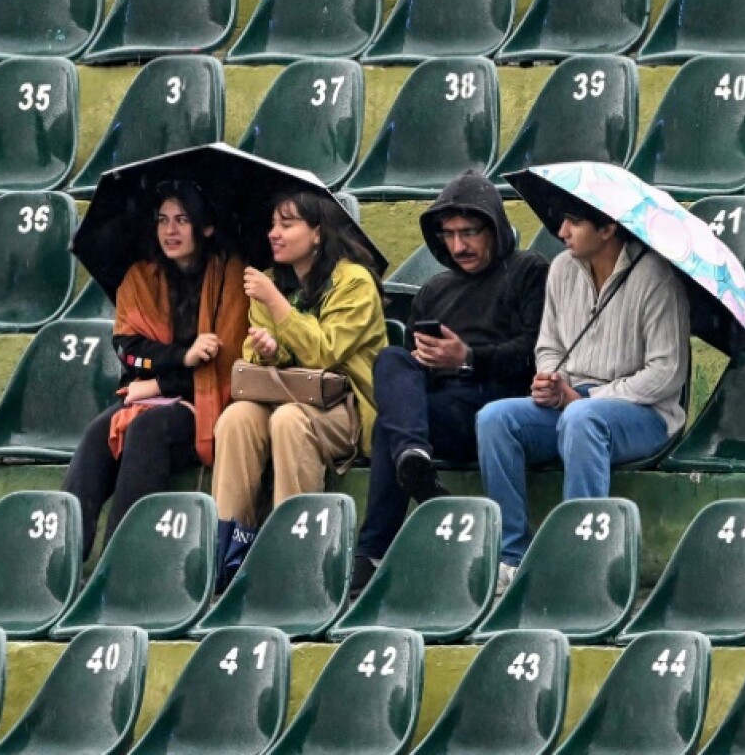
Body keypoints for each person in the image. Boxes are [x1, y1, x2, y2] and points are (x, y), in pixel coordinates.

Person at [351, 171, 548, 593]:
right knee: (392, 359)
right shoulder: (434, 289)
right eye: (450, 234)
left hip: (496, 409)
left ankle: (371, 552)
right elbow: (410, 376)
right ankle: (414, 461)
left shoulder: (528, 270)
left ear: (494, 227)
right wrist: (429, 363)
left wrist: (467, 359)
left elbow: (535, 355)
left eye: (470, 233)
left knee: (391, 429)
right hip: (440, 409)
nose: (459, 246)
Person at [477, 206, 689, 591]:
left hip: (645, 413)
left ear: (607, 228)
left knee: (584, 418)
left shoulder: (655, 277)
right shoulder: (561, 269)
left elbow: (665, 373)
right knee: (495, 418)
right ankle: (512, 557)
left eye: (573, 222)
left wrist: (586, 397)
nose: (561, 230)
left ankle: (581, 562)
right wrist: (551, 379)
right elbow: (548, 346)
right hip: (571, 400)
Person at [63, 182, 249, 559]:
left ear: (206, 227)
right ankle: (63, 554)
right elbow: (128, 352)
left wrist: (157, 384)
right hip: (154, 394)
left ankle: (121, 558)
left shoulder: (231, 276)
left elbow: (227, 364)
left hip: (209, 400)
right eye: (163, 220)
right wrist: (180, 360)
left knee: (148, 429)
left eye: (182, 219)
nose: (170, 230)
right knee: (98, 435)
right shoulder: (140, 278)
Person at [212, 189, 387, 587]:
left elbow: (326, 351)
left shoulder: (354, 284)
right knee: (237, 417)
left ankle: (296, 561)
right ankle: (227, 554)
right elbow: (254, 357)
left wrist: (278, 306)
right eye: (273, 224)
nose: (274, 233)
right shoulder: (271, 283)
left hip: (347, 409)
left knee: (290, 421)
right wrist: (268, 352)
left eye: (287, 224)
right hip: (282, 397)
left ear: (318, 233)